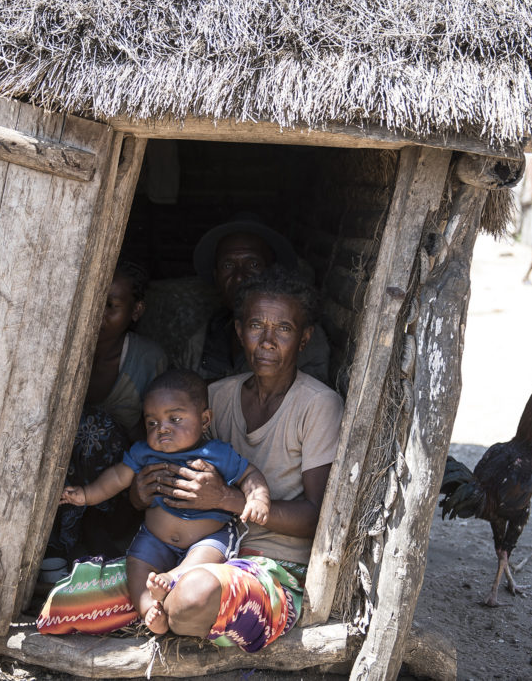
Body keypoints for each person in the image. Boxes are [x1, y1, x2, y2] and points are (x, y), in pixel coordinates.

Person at [38, 267, 344, 654]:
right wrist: (140, 493)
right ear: (238, 332)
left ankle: (180, 611)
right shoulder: (213, 398)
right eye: (255, 325)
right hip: (183, 553)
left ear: (304, 338)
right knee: (65, 603)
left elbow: (317, 517)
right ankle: (163, 612)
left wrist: (228, 500)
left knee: (192, 597)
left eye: (283, 328)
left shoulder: (318, 405)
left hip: (268, 565)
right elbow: (160, 477)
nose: (267, 340)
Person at [61, 369, 270, 634]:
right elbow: (116, 478)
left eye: (175, 418)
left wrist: (258, 498)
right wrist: (87, 495)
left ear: (205, 420)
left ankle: (173, 578)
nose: (163, 429)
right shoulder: (144, 453)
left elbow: (249, 473)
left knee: (208, 554)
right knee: (136, 564)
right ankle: (151, 611)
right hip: (155, 538)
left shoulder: (216, 453)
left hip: (207, 539)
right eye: (152, 423)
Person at [46, 259, 167, 566]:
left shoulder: (146, 359)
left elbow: (153, 437)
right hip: (55, 476)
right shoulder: (52, 347)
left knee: (95, 427)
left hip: (116, 486)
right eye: (92, 301)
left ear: (135, 312)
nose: (96, 315)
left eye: (110, 305)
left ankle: (86, 535)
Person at [177, 214, 331, 384]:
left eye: (253, 264)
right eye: (228, 265)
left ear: (272, 270)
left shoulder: (303, 338)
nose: (239, 277)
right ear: (216, 276)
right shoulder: (203, 339)